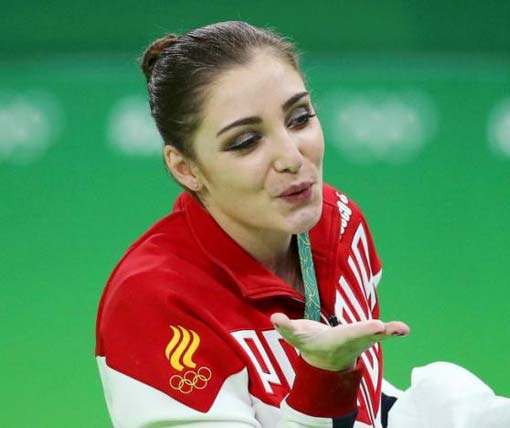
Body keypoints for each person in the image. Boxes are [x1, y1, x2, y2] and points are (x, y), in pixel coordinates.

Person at [95, 21, 409, 428]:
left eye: (299, 118)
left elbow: (367, 403)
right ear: (187, 169)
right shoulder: (155, 300)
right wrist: (326, 375)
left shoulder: (338, 222)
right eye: (246, 141)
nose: (291, 157)